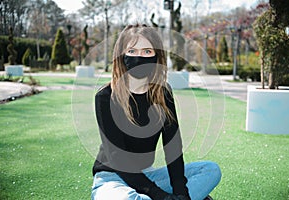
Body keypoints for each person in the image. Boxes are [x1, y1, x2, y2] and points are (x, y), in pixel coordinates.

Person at [91, 24, 221, 200]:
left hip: (149, 176)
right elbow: (118, 159)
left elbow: (173, 148)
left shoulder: (163, 93)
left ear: (157, 56)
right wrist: (161, 196)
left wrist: (180, 193)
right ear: (121, 55)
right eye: (132, 51)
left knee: (210, 170)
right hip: (112, 179)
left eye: (147, 51)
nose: (139, 57)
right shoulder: (106, 96)